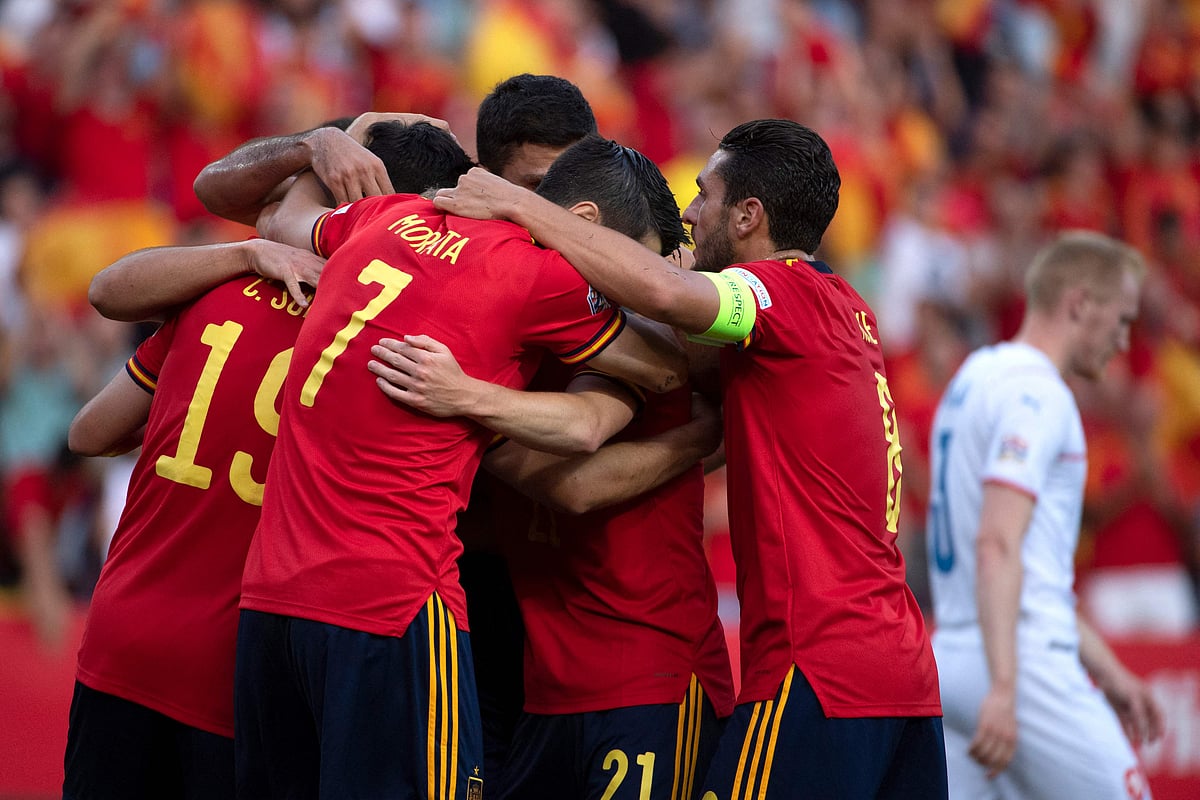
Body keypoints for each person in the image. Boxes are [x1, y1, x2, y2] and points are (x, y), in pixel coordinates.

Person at [425, 118, 946, 797]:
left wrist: (518, 204)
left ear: (749, 215)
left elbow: (670, 298)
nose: (691, 215)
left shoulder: (782, 294)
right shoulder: (844, 310)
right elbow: (693, 359)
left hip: (814, 665)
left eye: (704, 195)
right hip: (901, 668)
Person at [235, 129, 688, 799]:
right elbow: (671, 368)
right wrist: (670, 287)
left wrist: (333, 139)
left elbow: (279, 219)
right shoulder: (545, 277)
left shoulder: (390, 215)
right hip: (393, 609)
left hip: (269, 606)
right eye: (626, 262)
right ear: (583, 224)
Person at [60, 119, 474, 800]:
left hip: (123, 636)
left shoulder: (214, 293)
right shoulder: (401, 346)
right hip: (244, 667)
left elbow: (90, 432)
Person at [370, 136, 735, 800]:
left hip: (650, 677)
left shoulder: (637, 329)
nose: (629, 280)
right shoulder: (513, 314)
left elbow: (579, 479)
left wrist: (467, 409)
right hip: (548, 685)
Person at [924, 230, 1164, 799]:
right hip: (1017, 665)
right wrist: (1006, 686)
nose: (1124, 341)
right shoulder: (1039, 395)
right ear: (1080, 304)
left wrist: (1110, 673)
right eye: (1121, 320)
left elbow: (1025, 570)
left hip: (952, 658)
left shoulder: (972, 379)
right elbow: (997, 546)